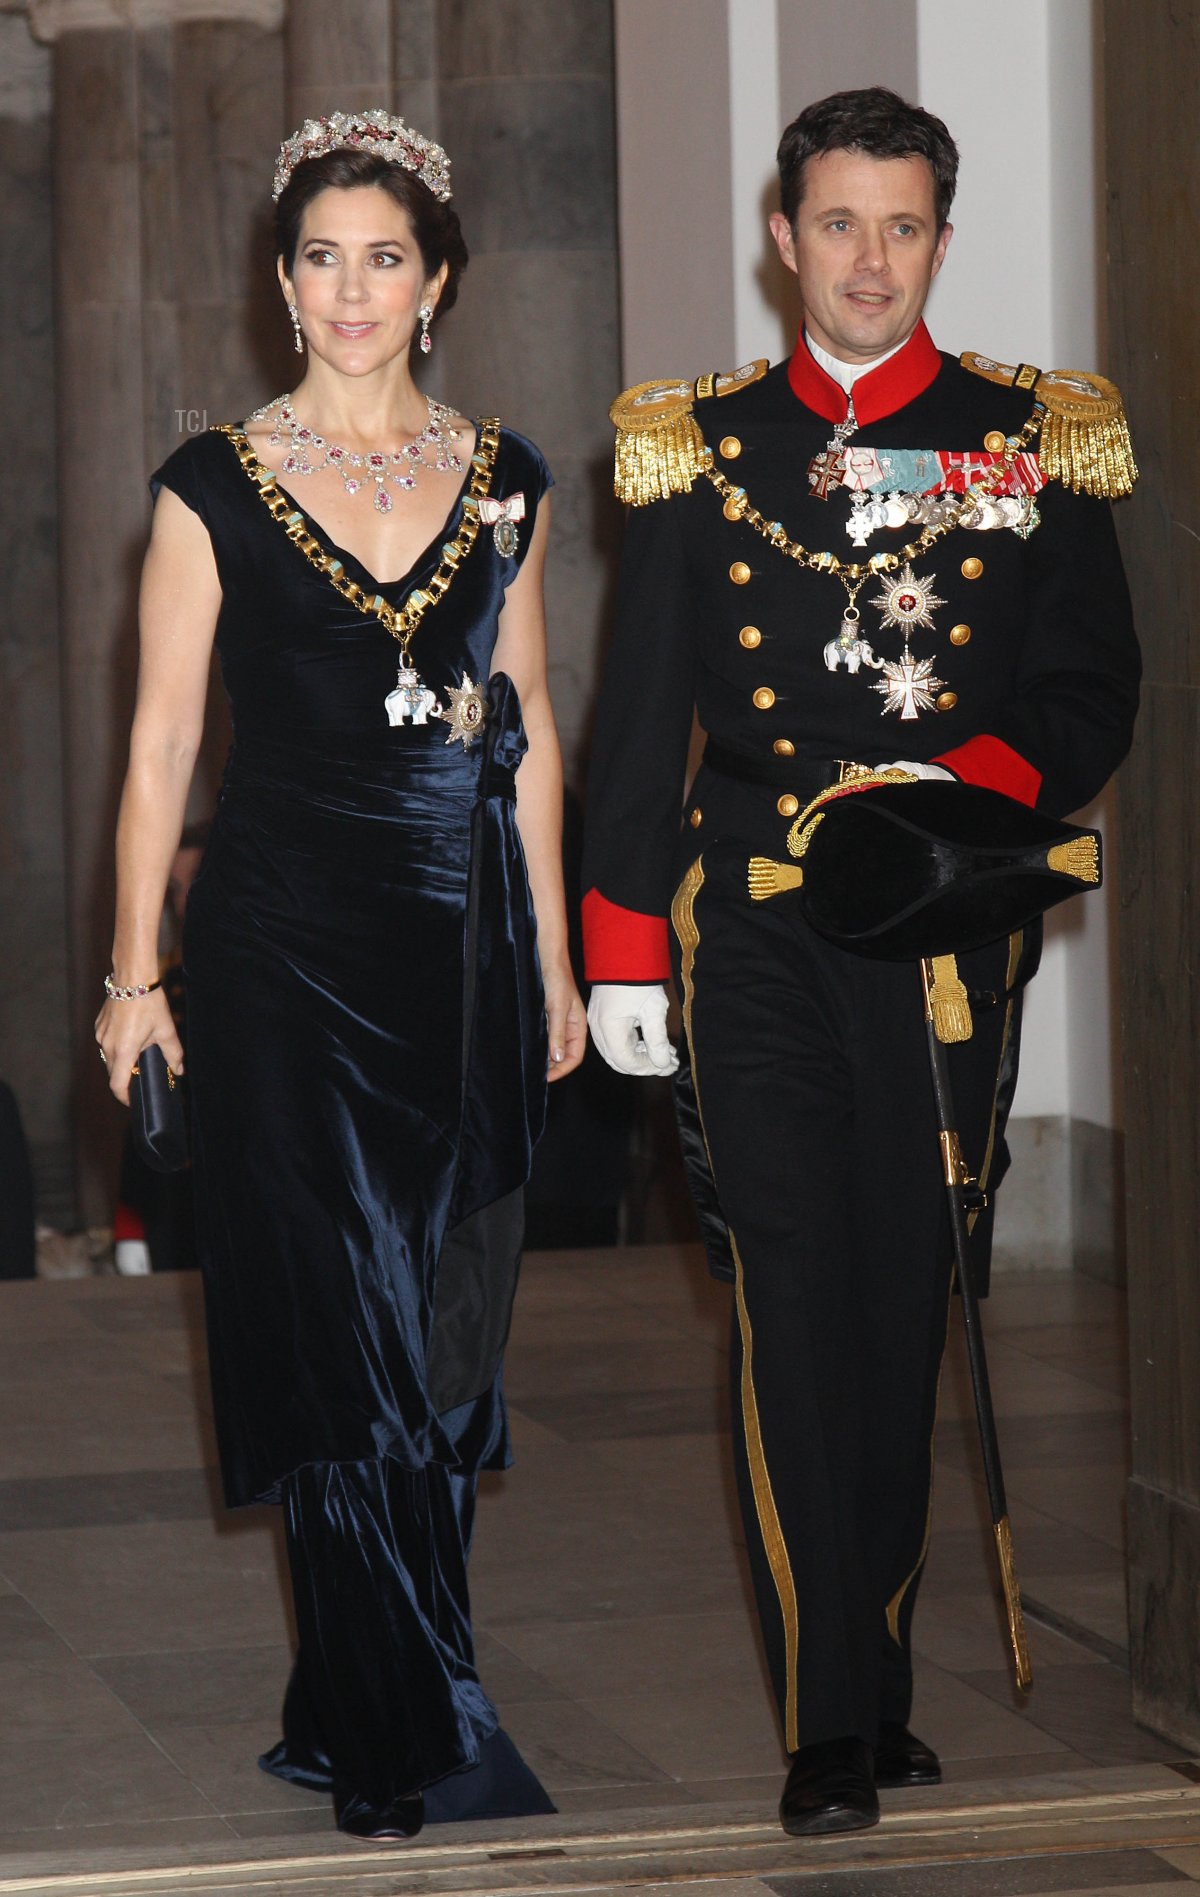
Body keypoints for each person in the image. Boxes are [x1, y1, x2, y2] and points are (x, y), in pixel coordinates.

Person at [582, 87, 1139, 1836]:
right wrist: (618, 952)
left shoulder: (1027, 437)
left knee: (906, 1298)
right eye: (838, 223)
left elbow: (1085, 686)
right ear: (783, 237)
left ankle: (877, 1668)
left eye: (903, 226)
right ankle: (830, 1712)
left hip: (940, 944)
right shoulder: (695, 443)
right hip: (746, 926)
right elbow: (636, 722)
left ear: (942, 242)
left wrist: (948, 798)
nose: (870, 260)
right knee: (790, 1294)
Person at [95, 107, 585, 1841]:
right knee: (340, 1339)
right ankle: (406, 1728)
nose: (353, 286)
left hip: (463, 952)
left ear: (436, 282)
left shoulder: (510, 481)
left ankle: (351, 1679)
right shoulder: (210, 487)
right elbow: (159, 752)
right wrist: (133, 975)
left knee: (444, 1341)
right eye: (322, 256)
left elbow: (528, 744)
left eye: (387, 256)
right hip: (284, 960)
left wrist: (562, 965)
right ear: (281, 284)